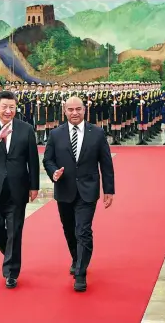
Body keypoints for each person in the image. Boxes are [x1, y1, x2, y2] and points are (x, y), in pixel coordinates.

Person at [42, 96, 115, 292]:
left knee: (83, 230)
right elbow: (47, 159)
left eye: (78, 109)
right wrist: (53, 172)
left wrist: (109, 190)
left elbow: (106, 163)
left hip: (88, 190)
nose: (74, 113)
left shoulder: (97, 133)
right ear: (64, 111)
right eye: (70, 109)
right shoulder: (56, 134)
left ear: (85, 110)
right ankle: (76, 258)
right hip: (64, 189)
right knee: (69, 230)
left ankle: (81, 273)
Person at [0, 91, 40, 289]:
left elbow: (32, 159)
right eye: (4, 107)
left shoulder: (26, 129)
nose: (8, 111)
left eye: (12, 107)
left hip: (17, 187)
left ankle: (11, 271)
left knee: (14, 231)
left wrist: (34, 185)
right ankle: (10, 254)